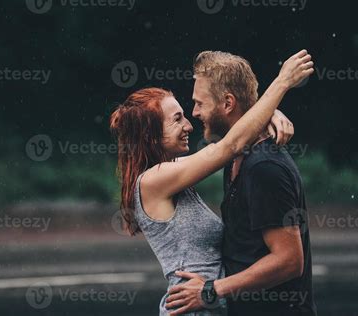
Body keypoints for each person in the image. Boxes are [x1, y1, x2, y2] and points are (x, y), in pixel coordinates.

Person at [110, 50, 313, 315]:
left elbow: (234, 141)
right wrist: (281, 84)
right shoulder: (153, 180)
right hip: (194, 308)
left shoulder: (176, 172)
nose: (190, 122)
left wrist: (266, 113)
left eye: (190, 110)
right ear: (151, 137)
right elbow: (229, 145)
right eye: (176, 119)